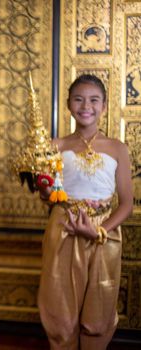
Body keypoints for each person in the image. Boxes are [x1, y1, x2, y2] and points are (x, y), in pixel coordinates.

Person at [37, 74, 133, 350]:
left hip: (104, 233)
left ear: (103, 106)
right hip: (64, 227)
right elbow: (50, 195)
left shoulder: (118, 148)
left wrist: (100, 229)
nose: (86, 105)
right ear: (68, 104)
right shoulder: (56, 146)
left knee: (99, 307)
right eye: (78, 99)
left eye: (93, 100)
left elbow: (126, 203)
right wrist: (43, 188)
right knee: (59, 305)